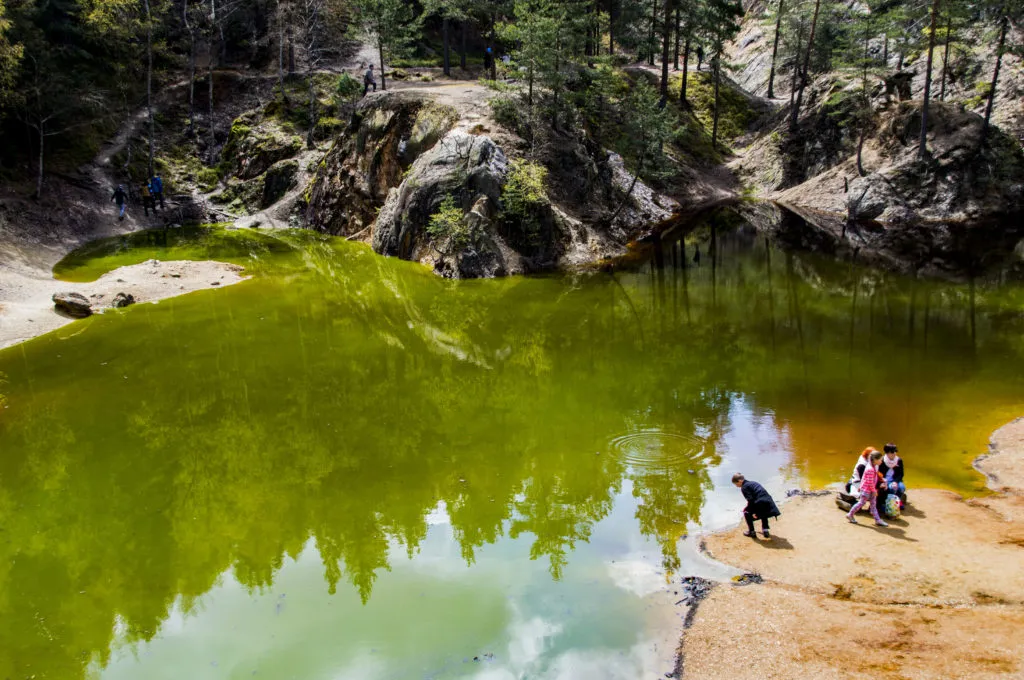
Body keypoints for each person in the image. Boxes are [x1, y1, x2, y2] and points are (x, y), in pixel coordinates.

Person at [845, 450, 888, 527]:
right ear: (875, 460)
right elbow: (870, 482)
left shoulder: (872, 466)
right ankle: (850, 514)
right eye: (880, 459)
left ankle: (877, 520)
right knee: (861, 503)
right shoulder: (870, 469)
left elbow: (865, 479)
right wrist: (874, 490)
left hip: (868, 490)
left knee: (873, 505)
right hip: (867, 491)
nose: (882, 461)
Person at [732, 473, 781, 538]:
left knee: (746, 512)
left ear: (740, 481)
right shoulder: (753, 483)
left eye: (736, 483)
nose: (736, 486)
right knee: (763, 510)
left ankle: (751, 532)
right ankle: (765, 530)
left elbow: (750, 500)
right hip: (769, 502)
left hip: (760, 502)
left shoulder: (744, 487)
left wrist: (753, 511)